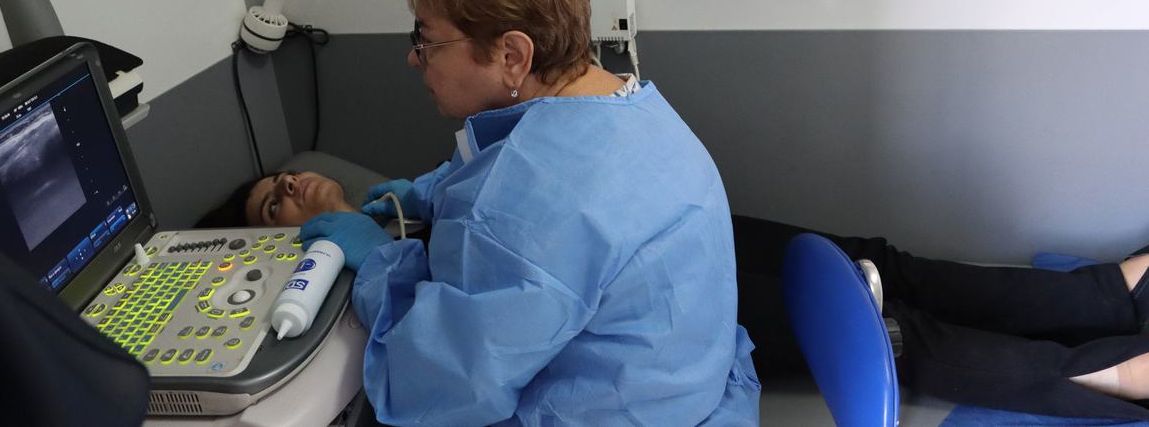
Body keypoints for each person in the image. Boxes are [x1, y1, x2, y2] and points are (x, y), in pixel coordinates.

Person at [226, 0, 759, 426]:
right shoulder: (632, 105)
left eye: (427, 39)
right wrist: (433, 190)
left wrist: (379, 265)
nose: (415, 58)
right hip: (690, 389)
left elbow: (441, 385)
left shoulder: (521, 204)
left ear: (512, 56)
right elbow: (540, 179)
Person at [203, 169, 1149, 421]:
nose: (290, 189)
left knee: (868, 258)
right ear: (284, 243)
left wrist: (420, 200)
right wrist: (371, 256)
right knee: (881, 328)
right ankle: (1108, 374)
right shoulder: (358, 262)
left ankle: (1107, 293)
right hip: (639, 300)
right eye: (271, 203)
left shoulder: (401, 194)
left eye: (285, 176)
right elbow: (466, 343)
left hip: (663, 234)